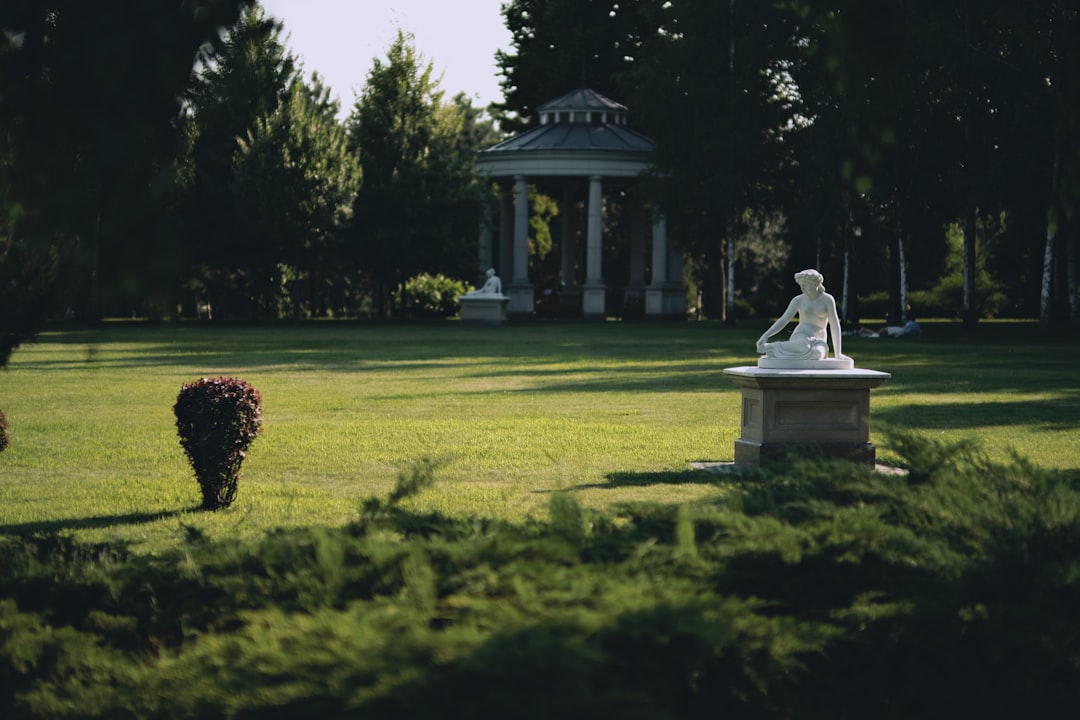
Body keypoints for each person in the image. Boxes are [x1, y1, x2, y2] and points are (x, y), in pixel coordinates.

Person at [756, 269, 846, 361]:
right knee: (804, 346)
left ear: (815, 284)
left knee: (817, 354)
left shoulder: (827, 300)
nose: (802, 288)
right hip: (801, 335)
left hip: (819, 339)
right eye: (801, 285)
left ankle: (774, 350)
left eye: (805, 285)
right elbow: (783, 320)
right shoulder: (798, 300)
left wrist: (838, 353)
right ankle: (771, 347)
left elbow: (834, 325)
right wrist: (766, 335)